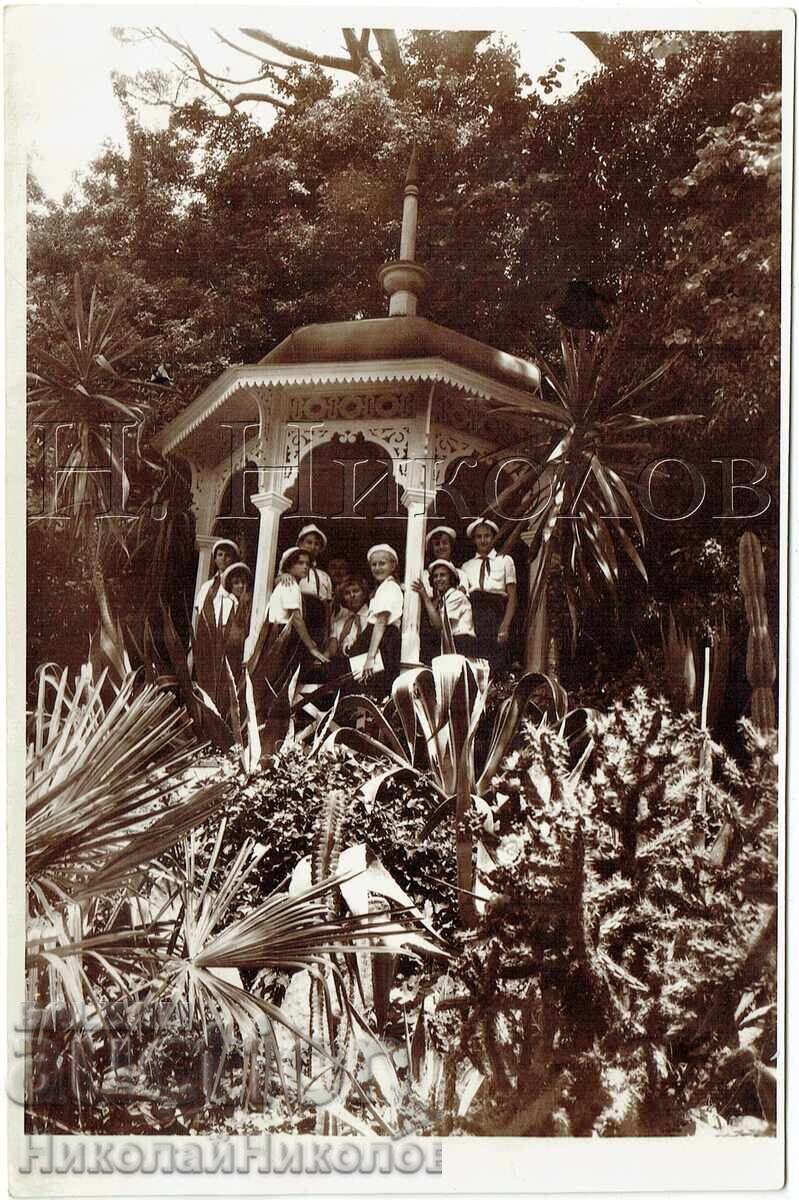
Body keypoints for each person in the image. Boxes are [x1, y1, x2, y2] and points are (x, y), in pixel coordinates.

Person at [345, 545, 403, 698]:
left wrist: (370, 658)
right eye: (374, 564)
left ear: (393, 565)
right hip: (376, 639)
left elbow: (381, 622)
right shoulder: (382, 588)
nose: (377, 568)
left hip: (383, 642)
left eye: (382, 563)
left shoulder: (390, 587)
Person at [461, 519, 517, 673]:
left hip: (496, 614)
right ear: (474, 540)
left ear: (494, 537)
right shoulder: (466, 566)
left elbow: (512, 597)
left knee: (497, 663)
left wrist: (505, 626)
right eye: (479, 537)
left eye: (487, 536)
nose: (483, 540)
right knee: (478, 664)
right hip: (476, 617)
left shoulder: (505, 560)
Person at [267, 547, 329, 667]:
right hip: (282, 635)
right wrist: (311, 648)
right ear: (289, 566)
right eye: (300, 563)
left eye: (307, 564)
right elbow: (296, 619)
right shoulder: (290, 585)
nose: (305, 567)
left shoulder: (291, 585)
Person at [413, 560, 477, 658]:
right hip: (450, 643)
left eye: (442, 575)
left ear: (451, 578)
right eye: (435, 576)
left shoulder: (457, 596)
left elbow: (438, 624)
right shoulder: (442, 599)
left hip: (463, 643)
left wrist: (424, 595)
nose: (438, 579)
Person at [194, 539, 239, 631]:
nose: (223, 558)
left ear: (233, 559)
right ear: (215, 559)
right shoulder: (206, 586)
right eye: (220, 554)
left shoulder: (237, 586)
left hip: (226, 630)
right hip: (206, 632)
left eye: (228, 555)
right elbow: (199, 613)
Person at [220, 562, 252, 679]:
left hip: (239, 650)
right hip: (228, 649)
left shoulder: (245, 603)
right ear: (230, 585)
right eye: (236, 583)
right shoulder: (227, 602)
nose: (240, 586)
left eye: (243, 582)